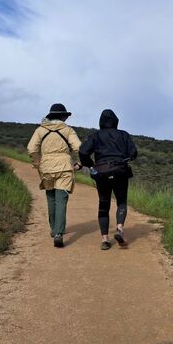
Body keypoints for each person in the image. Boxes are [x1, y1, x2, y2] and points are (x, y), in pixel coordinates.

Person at [79, 109, 137, 250]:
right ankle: (119, 229)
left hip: (101, 172)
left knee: (103, 206)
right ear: (115, 121)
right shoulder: (123, 135)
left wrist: (91, 164)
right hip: (120, 171)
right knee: (121, 202)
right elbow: (133, 153)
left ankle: (105, 240)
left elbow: (82, 151)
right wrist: (125, 158)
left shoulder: (95, 136)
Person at [27, 103, 82, 248]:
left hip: (46, 167)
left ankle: (54, 229)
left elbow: (31, 149)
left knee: (51, 197)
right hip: (64, 166)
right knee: (61, 199)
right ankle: (59, 233)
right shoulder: (68, 130)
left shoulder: (40, 130)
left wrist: (38, 164)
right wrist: (80, 163)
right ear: (63, 116)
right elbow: (79, 148)